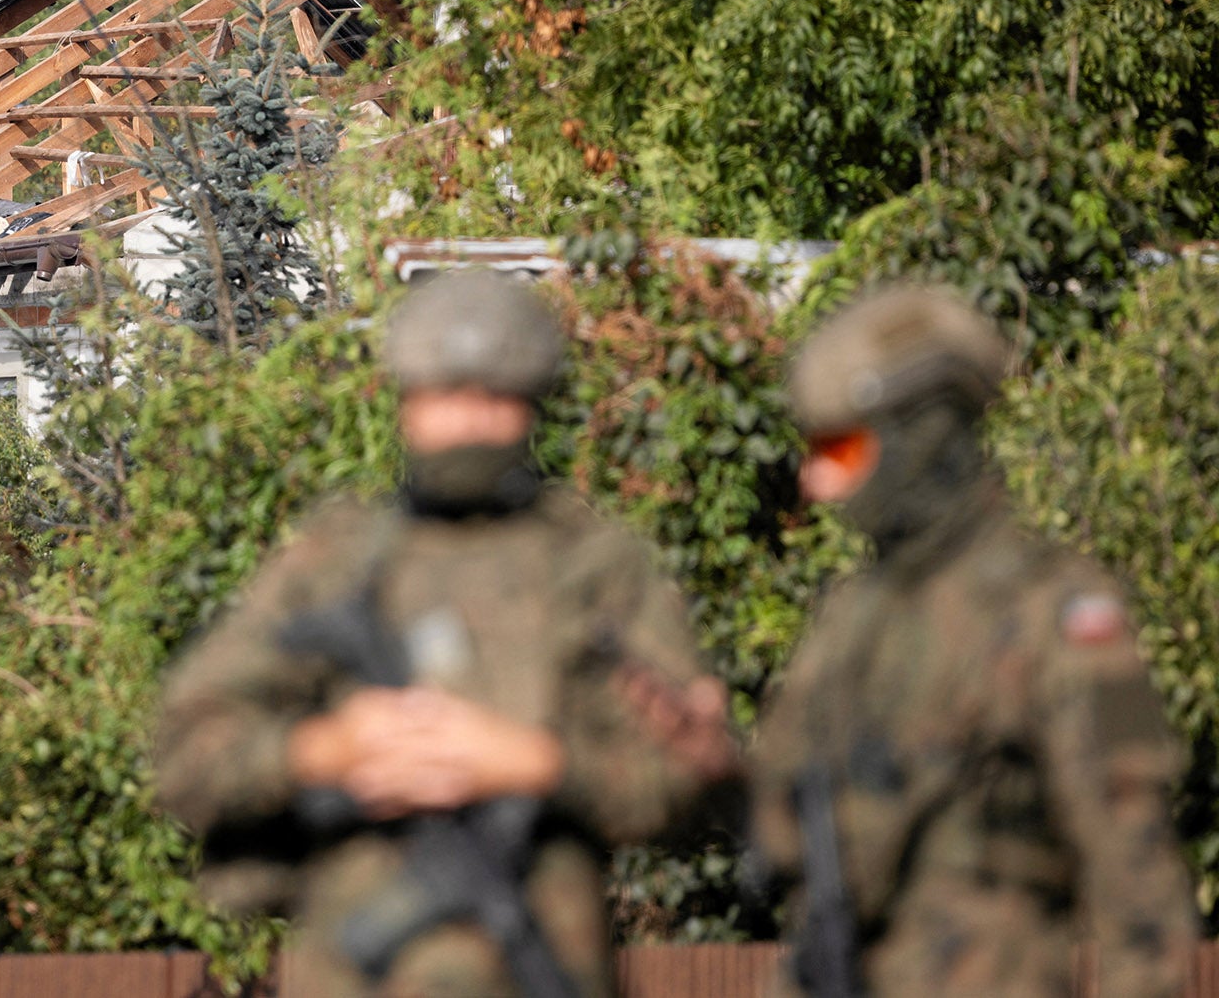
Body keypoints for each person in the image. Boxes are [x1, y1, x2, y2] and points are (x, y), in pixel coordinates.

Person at [154, 268, 736, 998]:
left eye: (494, 398)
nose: (468, 422)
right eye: (446, 397)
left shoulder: (593, 563)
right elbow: (185, 751)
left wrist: (538, 764)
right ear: (404, 402)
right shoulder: (337, 561)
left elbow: (697, 772)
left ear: (534, 403)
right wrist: (326, 749)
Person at [749, 285, 1196, 998]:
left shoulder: (1070, 608)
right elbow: (776, 818)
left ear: (918, 435)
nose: (818, 482)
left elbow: (1137, 870)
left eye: (841, 447)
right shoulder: (848, 613)